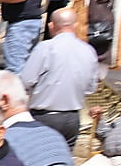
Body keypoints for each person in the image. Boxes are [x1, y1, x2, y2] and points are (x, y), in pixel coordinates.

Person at [18, 8, 102, 146]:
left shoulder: (46, 47)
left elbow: (26, 81)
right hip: (72, 118)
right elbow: (90, 88)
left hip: (45, 117)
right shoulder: (88, 50)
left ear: (51, 25)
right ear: (75, 25)